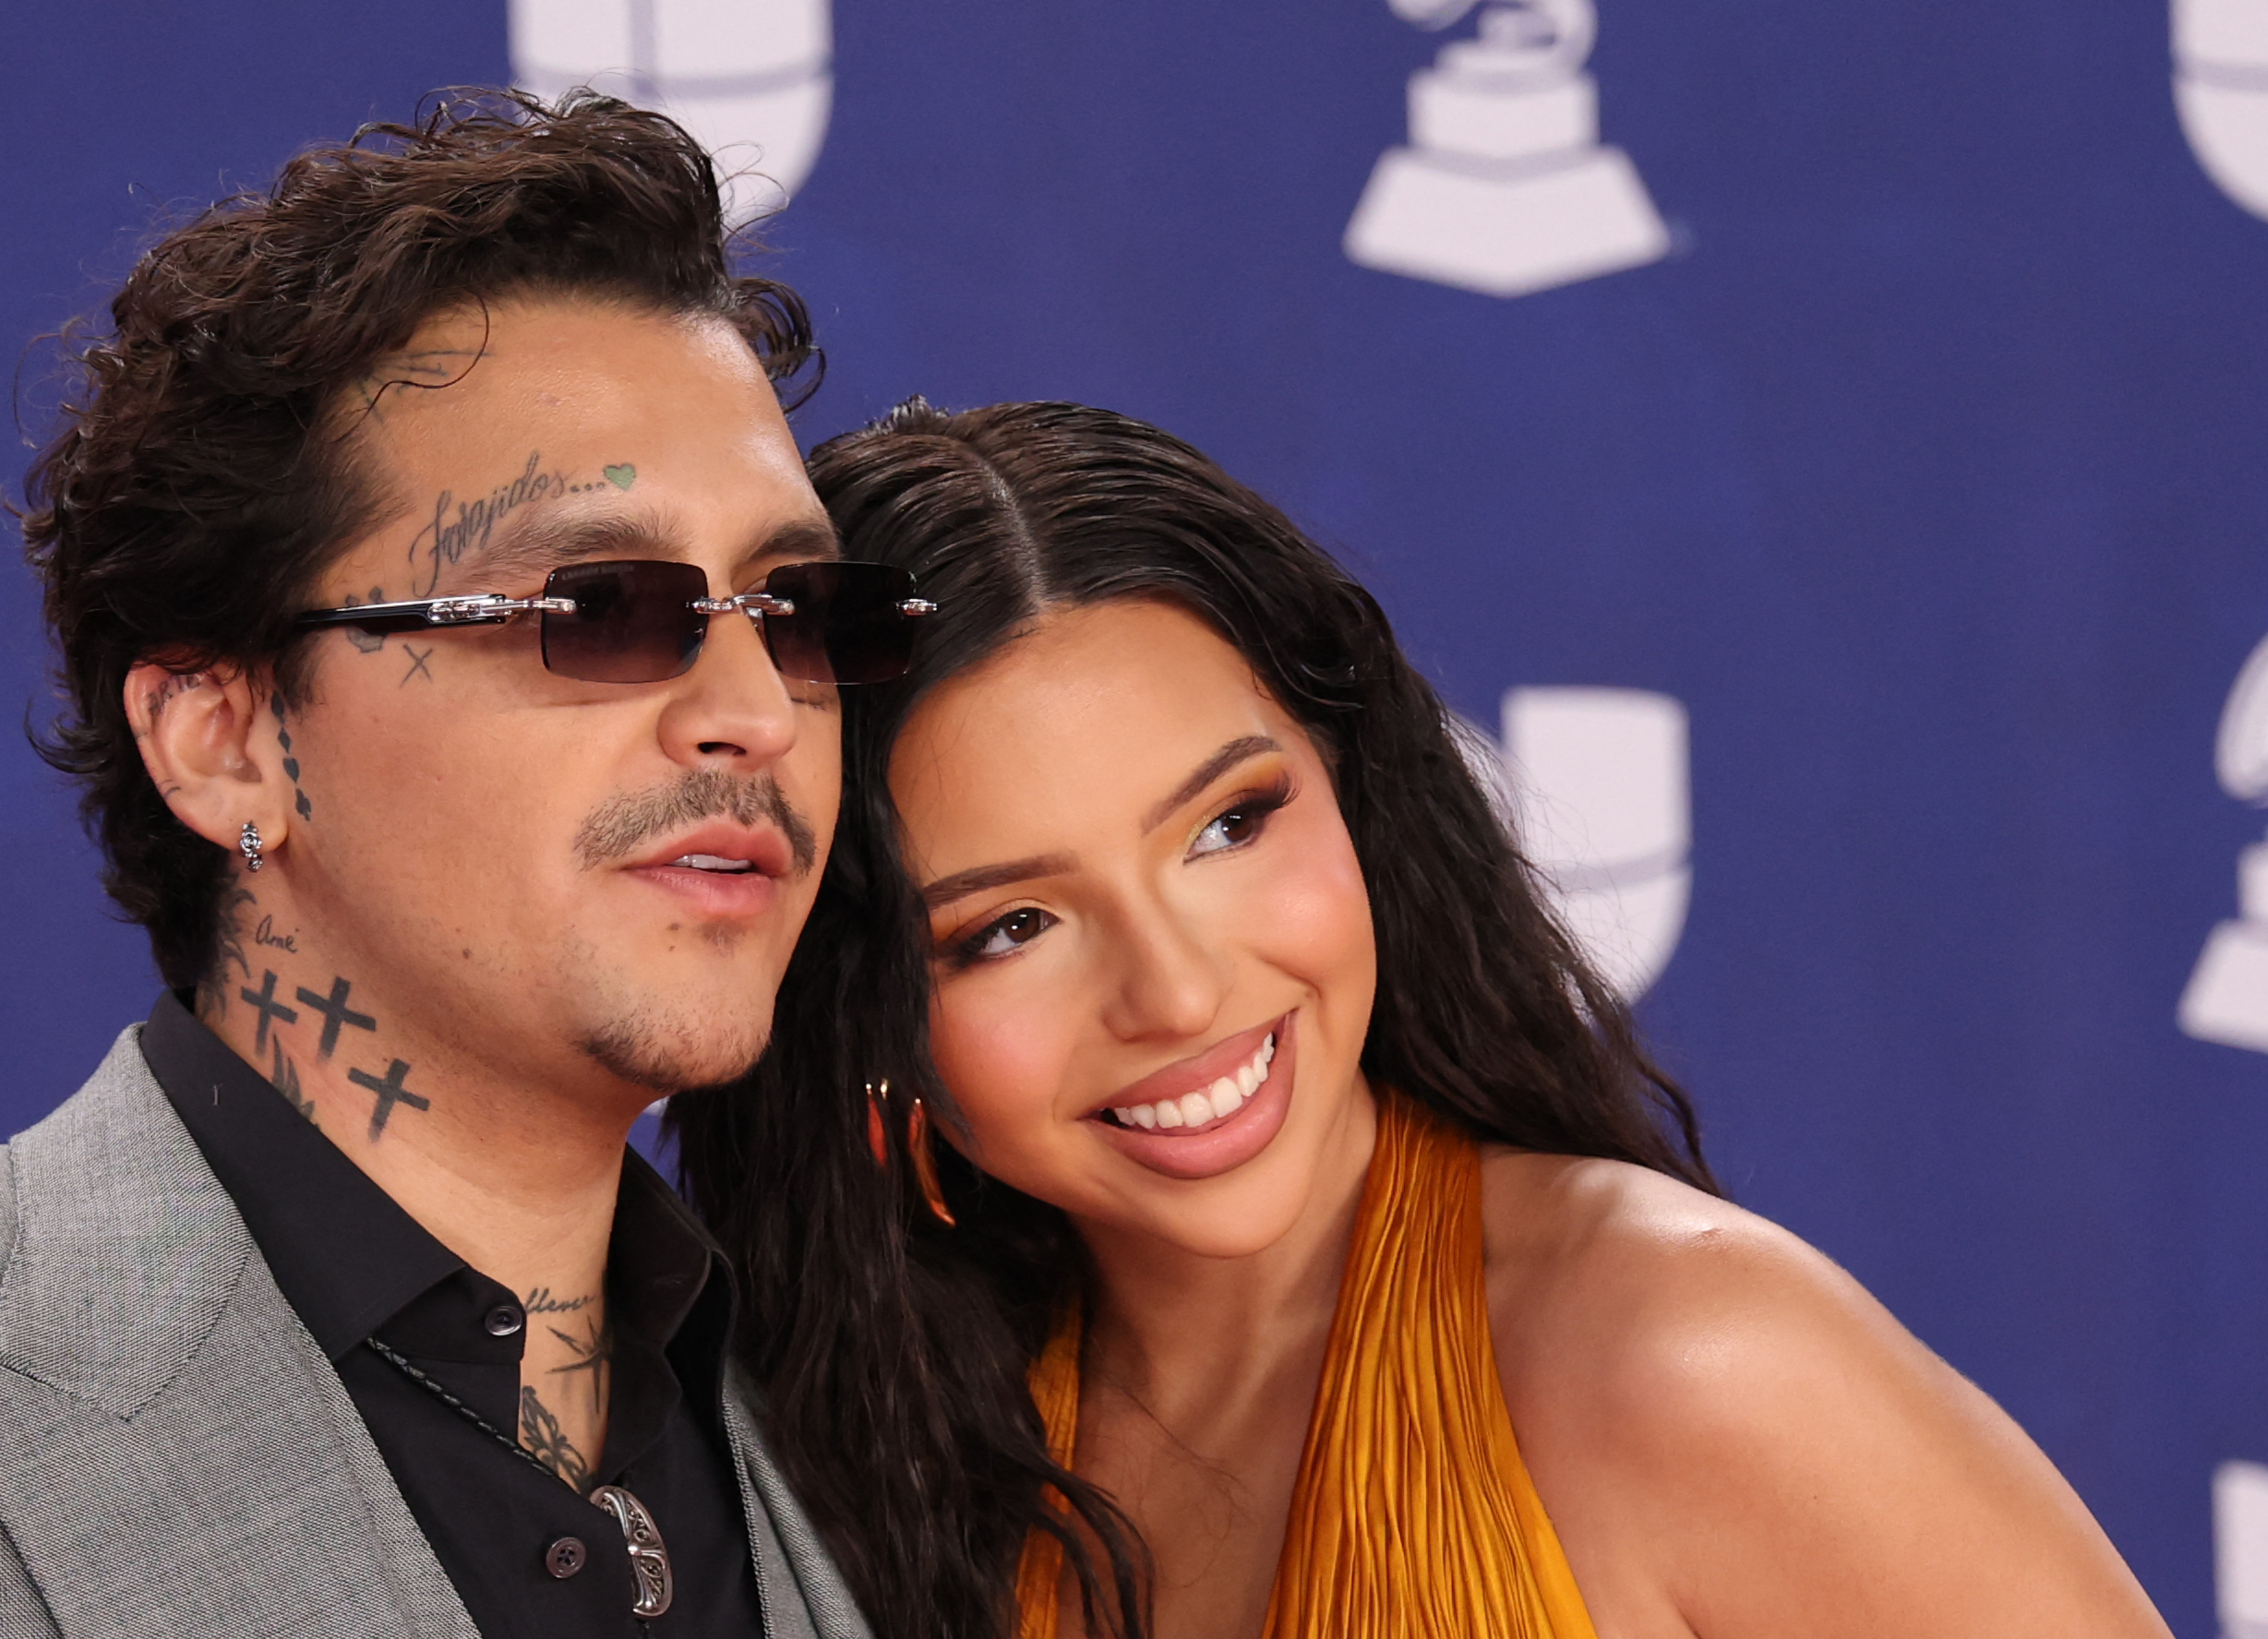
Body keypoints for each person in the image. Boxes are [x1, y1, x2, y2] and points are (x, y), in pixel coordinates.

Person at [0, 93, 911, 1639]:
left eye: (796, 610)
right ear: (223, 738)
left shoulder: (847, 1429)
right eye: (597, 605)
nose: (754, 713)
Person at [672, 399, 2172, 1639]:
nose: (1178, 992)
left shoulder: (1682, 1359)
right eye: (1007, 929)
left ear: (1355, 789)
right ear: (851, 1007)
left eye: (1226, 827)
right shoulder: (861, 1459)